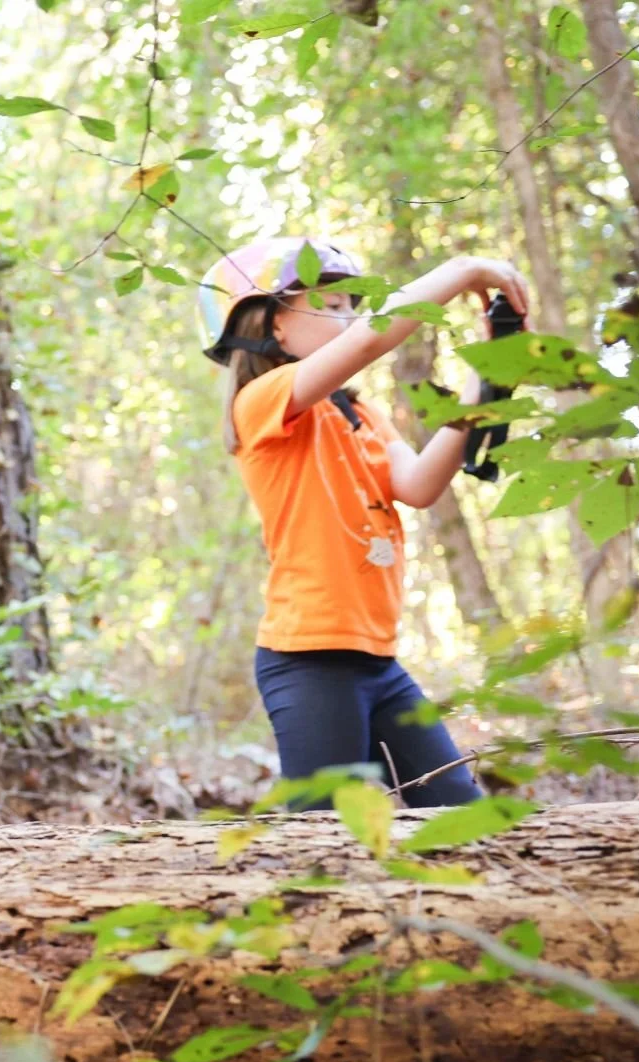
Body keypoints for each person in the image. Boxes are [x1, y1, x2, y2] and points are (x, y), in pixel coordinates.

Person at [197, 238, 531, 806]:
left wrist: (488, 373)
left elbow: (420, 486)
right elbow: (370, 340)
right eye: (329, 305)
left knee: (462, 816)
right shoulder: (261, 401)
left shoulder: (361, 414)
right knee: (325, 838)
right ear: (273, 326)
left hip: (379, 660)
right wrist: (463, 269)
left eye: (353, 303)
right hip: (309, 659)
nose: (349, 316)